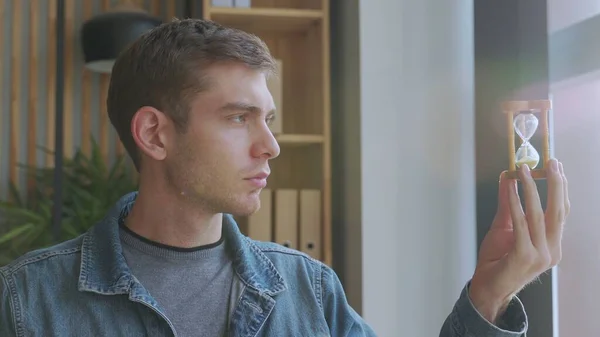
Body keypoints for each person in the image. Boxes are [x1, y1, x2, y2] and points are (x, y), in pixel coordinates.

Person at [0, 18, 569, 337]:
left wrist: (490, 296)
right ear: (154, 134)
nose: (269, 145)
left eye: (267, 119)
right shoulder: (28, 302)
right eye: (238, 117)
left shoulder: (311, 292)